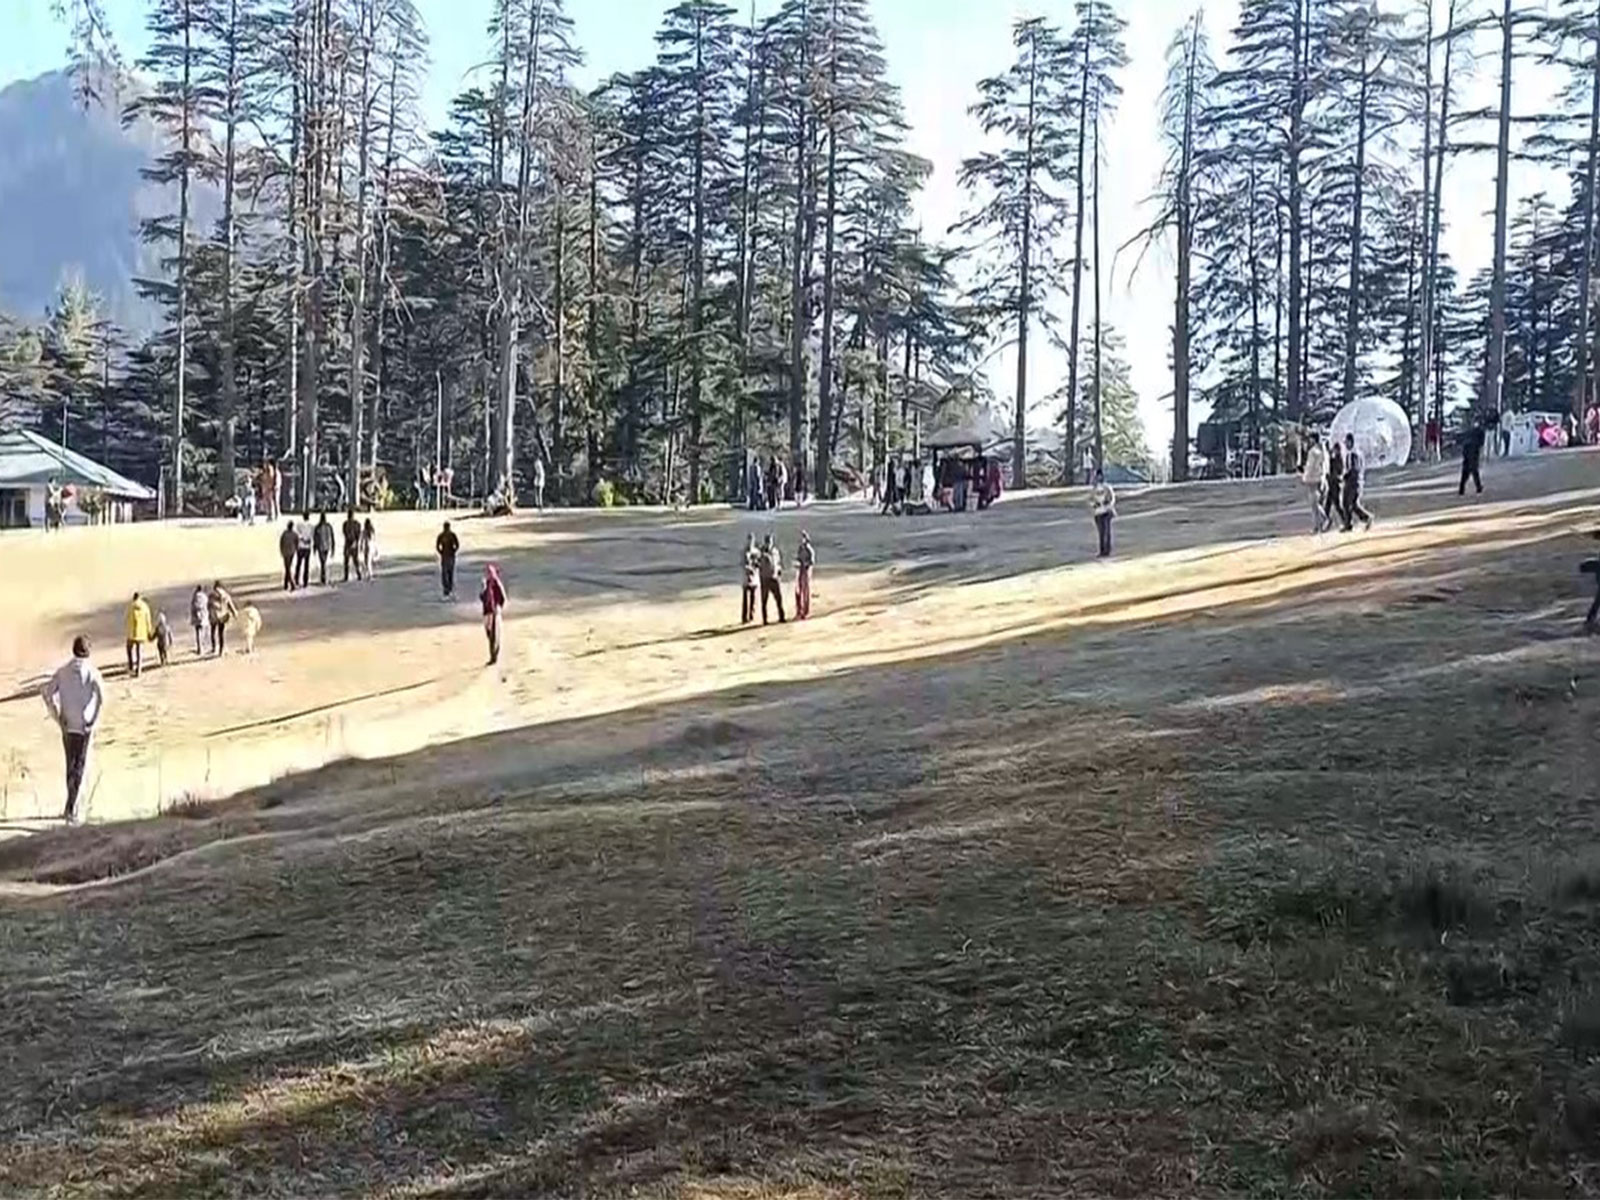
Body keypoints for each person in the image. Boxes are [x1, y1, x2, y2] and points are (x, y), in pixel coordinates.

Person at [42, 635, 104, 824]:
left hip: (68, 725)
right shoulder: (92, 673)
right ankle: (73, 809)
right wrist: (93, 720)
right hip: (84, 726)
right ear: (88, 652)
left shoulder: (62, 672)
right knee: (80, 766)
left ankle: (70, 806)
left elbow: (47, 694)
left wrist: (57, 716)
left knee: (71, 765)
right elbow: (101, 698)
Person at [1340, 433, 1372, 532]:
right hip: (1354, 482)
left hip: (1353, 482)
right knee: (1348, 503)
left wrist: (1346, 476)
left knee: (1350, 503)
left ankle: (1366, 518)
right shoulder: (1355, 453)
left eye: (1347, 442)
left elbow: (1354, 469)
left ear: (1350, 442)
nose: (1345, 445)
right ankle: (1348, 524)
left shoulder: (1353, 454)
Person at [1301, 431, 1330, 533]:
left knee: (1314, 504)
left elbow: (1311, 467)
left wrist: (1305, 477)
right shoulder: (1322, 451)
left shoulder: (1313, 452)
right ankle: (1317, 526)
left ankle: (1324, 520)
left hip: (1313, 479)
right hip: (1319, 478)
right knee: (1316, 504)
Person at [480, 564, 507, 665]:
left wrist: (498, 608)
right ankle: (494, 653)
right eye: (487, 573)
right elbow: (482, 598)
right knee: (488, 632)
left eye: (490, 572)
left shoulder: (496, 583)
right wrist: (484, 588)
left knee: (494, 634)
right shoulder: (485, 584)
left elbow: (502, 597)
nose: (488, 574)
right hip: (486, 611)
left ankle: (494, 656)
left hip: (494, 611)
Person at [758, 534, 786, 625]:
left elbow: (778, 563)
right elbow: (757, 564)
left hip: (774, 578)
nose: (769, 544)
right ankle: (765, 620)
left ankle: (782, 617)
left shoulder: (775, 551)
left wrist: (779, 570)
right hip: (765, 578)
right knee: (764, 600)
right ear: (765, 543)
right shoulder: (761, 553)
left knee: (779, 598)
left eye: (770, 542)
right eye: (768, 542)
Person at [124, 592, 153, 678]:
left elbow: (127, 619)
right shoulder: (145, 607)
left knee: (129, 649)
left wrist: (128, 631)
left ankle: (131, 665)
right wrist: (149, 632)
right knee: (139, 652)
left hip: (131, 633)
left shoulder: (130, 607)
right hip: (141, 633)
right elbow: (148, 621)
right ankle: (139, 670)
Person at [207, 580, 239, 656]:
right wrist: (235, 613)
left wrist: (209, 613)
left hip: (213, 616)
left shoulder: (211, 595)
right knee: (221, 634)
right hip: (223, 616)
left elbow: (208, 606)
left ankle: (214, 647)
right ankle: (221, 650)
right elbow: (230, 605)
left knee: (213, 632)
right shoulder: (225, 595)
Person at [1090, 469, 1116, 559]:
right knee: (1101, 533)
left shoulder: (1107, 487)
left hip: (1106, 512)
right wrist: (1094, 505)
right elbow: (1091, 500)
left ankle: (1107, 550)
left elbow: (1112, 499)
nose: (1098, 478)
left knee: (1106, 532)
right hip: (1098, 513)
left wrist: (1108, 505)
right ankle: (1102, 551)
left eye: (1100, 476)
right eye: (1097, 476)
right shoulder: (1094, 489)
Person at [1325, 436, 1347, 532]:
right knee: (1328, 504)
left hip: (1336, 484)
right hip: (1331, 483)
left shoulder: (1339, 459)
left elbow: (1338, 472)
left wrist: (1333, 477)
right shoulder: (1334, 459)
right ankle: (1326, 521)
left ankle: (1346, 521)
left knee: (1337, 504)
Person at [1460, 419, 1486, 497]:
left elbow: (1463, 440)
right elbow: (1481, 443)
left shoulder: (1468, 430)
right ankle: (1478, 488)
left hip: (1467, 450)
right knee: (1474, 470)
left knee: (1466, 470)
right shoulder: (1480, 431)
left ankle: (1461, 489)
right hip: (1473, 450)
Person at [436, 521, 460, 600]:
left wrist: (453, 551)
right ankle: (446, 589)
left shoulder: (451, 535)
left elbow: (457, 545)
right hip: (446, 556)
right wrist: (441, 552)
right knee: (445, 574)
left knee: (449, 573)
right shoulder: (442, 536)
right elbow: (437, 546)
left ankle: (449, 588)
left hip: (449, 556)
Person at [795, 530, 815, 620]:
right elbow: (798, 558)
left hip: (806, 571)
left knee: (805, 591)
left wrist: (805, 565)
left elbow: (812, 562)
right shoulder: (800, 548)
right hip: (801, 570)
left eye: (803, 538)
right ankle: (799, 610)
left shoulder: (809, 549)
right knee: (798, 590)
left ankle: (805, 611)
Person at [741, 533, 759, 625]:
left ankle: (751, 616)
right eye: (749, 540)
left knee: (753, 598)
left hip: (755, 578)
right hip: (746, 579)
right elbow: (743, 564)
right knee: (746, 599)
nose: (750, 542)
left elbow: (759, 563)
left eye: (751, 540)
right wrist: (749, 568)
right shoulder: (745, 552)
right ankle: (744, 617)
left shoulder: (756, 552)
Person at [313, 512, 335, 586]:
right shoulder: (328, 526)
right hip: (327, 546)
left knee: (323, 562)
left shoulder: (318, 527)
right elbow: (332, 537)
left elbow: (315, 538)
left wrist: (314, 548)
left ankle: (324, 578)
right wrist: (333, 548)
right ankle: (324, 577)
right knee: (323, 562)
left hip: (321, 547)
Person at [342, 509, 364, 582]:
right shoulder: (357, 524)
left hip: (347, 544)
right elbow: (358, 534)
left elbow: (344, 533)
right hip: (354, 544)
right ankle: (359, 574)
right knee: (356, 560)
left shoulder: (345, 524)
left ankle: (346, 576)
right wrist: (356, 541)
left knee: (346, 561)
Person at [294, 513, 313, 589]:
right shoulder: (311, 526)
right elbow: (311, 536)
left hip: (301, 546)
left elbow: (298, 535)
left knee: (299, 564)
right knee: (306, 565)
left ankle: (297, 579)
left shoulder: (299, 525)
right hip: (307, 547)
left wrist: (302, 540)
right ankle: (305, 581)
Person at [279, 520, 299, 591]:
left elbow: (281, 543)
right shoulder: (294, 534)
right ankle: (286, 584)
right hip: (291, 552)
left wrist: (281, 551)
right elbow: (297, 543)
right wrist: (296, 550)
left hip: (286, 552)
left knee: (287, 568)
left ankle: (290, 584)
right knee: (288, 568)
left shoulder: (284, 534)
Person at [189, 585, 208, 655]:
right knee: (203, 632)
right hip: (203, 616)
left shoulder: (194, 597)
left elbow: (192, 606)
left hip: (196, 617)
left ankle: (199, 648)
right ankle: (202, 646)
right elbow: (206, 605)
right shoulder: (204, 597)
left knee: (197, 633)